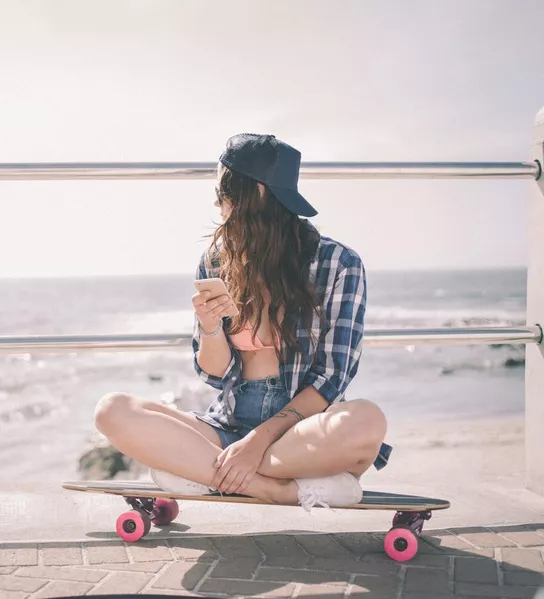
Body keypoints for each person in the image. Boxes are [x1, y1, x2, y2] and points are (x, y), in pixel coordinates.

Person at [94, 133, 391, 510]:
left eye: (224, 192)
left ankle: (202, 474)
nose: (219, 204)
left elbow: (332, 378)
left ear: (258, 194)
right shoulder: (217, 261)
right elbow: (213, 374)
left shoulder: (337, 264)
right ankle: (276, 489)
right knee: (112, 409)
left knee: (366, 422)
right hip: (227, 428)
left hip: (300, 431)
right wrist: (210, 327)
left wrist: (257, 444)